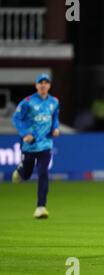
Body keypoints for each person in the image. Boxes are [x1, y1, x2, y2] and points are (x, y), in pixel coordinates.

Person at [11, 73, 60, 219]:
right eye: (41, 83)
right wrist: (25, 133)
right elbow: (16, 118)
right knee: (26, 175)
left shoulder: (54, 102)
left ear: (49, 85)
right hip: (30, 145)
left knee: (43, 173)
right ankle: (21, 170)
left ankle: (41, 207)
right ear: (36, 85)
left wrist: (55, 128)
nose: (43, 85)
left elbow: (55, 117)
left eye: (46, 82)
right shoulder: (27, 102)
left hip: (45, 144)